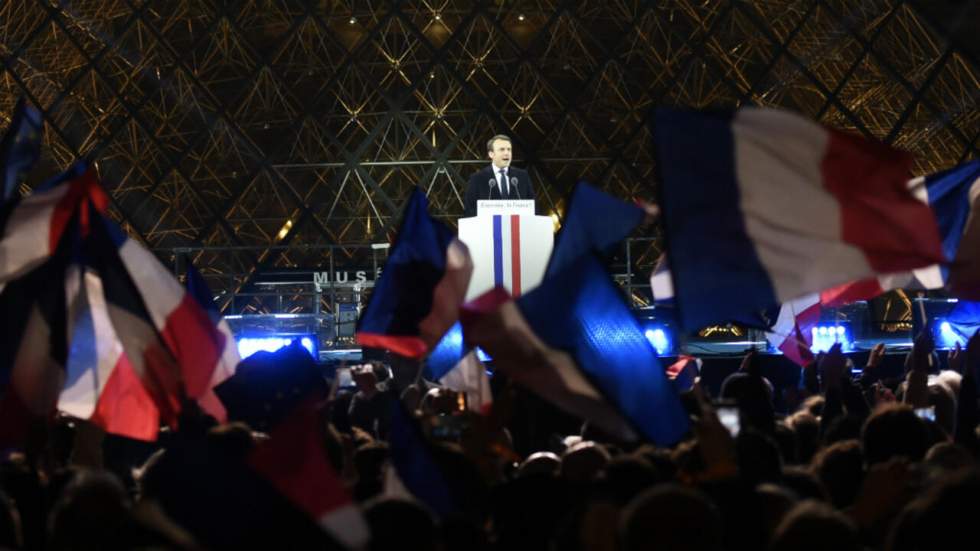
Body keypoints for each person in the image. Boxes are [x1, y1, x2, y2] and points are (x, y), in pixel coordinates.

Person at [463, 134, 535, 217]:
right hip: (488, 228)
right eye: (502, 149)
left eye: (509, 149)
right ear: (491, 154)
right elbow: (470, 210)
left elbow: (533, 207)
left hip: (518, 228)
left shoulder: (522, 176)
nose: (506, 153)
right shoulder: (477, 179)